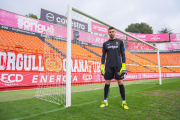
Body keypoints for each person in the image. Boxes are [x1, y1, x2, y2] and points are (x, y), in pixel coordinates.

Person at [100, 27, 129, 110]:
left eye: (113, 32)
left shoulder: (119, 42)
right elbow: (103, 55)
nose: (111, 33)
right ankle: (105, 101)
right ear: (108, 33)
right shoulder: (105, 43)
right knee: (107, 82)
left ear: (115, 32)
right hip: (108, 66)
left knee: (120, 82)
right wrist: (102, 66)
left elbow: (123, 54)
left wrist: (123, 65)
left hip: (118, 66)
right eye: (110, 32)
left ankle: (124, 102)